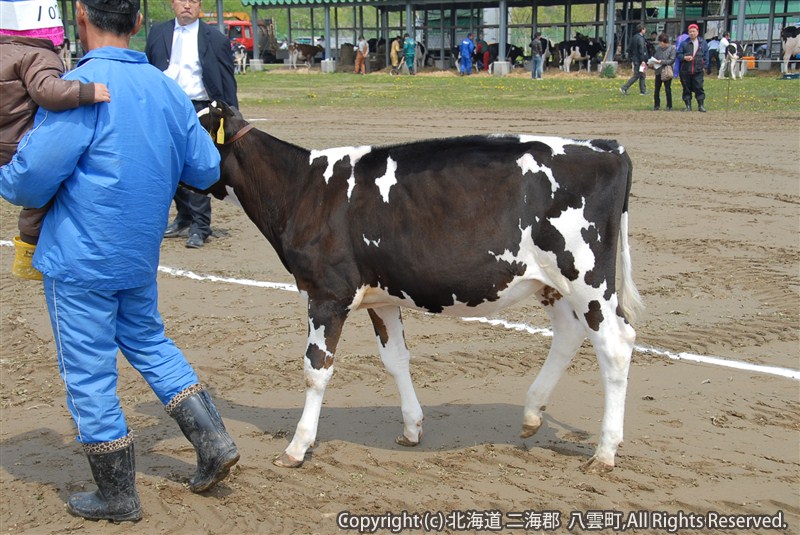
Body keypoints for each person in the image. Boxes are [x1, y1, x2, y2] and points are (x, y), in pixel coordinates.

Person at [0, 0, 239, 522]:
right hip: (138, 253)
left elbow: (30, 179)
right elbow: (204, 168)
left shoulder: (79, 91)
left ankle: (117, 495)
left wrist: (6, 170)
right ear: (136, 23)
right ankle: (214, 441)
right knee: (150, 342)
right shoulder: (166, 89)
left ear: (80, 17)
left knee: (88, 373)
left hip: (79, 258)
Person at [1, 0, 110, 281]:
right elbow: (47, 90)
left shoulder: (5, 52)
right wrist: (85, 91)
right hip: (21, 142)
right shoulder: (38, 56)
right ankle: (30, 247)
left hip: (3, 139)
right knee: (45, 193)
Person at [145, 0, 238, 249]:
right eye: (182, 0)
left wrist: (234, 113)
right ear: (172, 3)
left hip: (201, 107)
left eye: (193, 1)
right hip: (165, 105)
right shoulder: (158, 32)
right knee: (168, 165)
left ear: (199, 6)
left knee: (196, 165)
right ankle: (184, 216)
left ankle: (200, 225)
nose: (187, 5)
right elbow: (147, 69)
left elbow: (227, 79)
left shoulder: (216, 39)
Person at [677, 23, 709, 112]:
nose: (692, 33)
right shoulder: (684, 43)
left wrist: (705, 66)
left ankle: (701, 105)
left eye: (693, 31)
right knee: (686, 88)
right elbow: (678, 54)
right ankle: (688, 106)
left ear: (697, 32)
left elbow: (706, 55)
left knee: (699, 87)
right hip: (685, 70)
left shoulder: (703, 43)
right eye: (690, 32)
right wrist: (684, 57)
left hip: (698, 70)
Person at [621, 23, 648, 95]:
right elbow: (641, 50)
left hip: (635, 59)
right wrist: (643, 60)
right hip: (639, 60)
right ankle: (624, 88)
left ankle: (643, 90)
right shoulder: (641, 39)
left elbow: (629, 49)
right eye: (644, 29)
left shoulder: (634, 37)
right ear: (642, 29)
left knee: (642, 74)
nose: (645, 30)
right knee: (637, 75)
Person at [651, 33, 675, 111]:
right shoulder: (658, 49)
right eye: (660, 42)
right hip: (658, 70)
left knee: (667, 89)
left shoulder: (672, 48)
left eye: (662, 43)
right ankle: (656, 105)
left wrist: (662, 61)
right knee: (657, 89)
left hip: (666, 71)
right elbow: (655, 57)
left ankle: (669, 105)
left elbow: (671, 60)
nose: (661, 44)